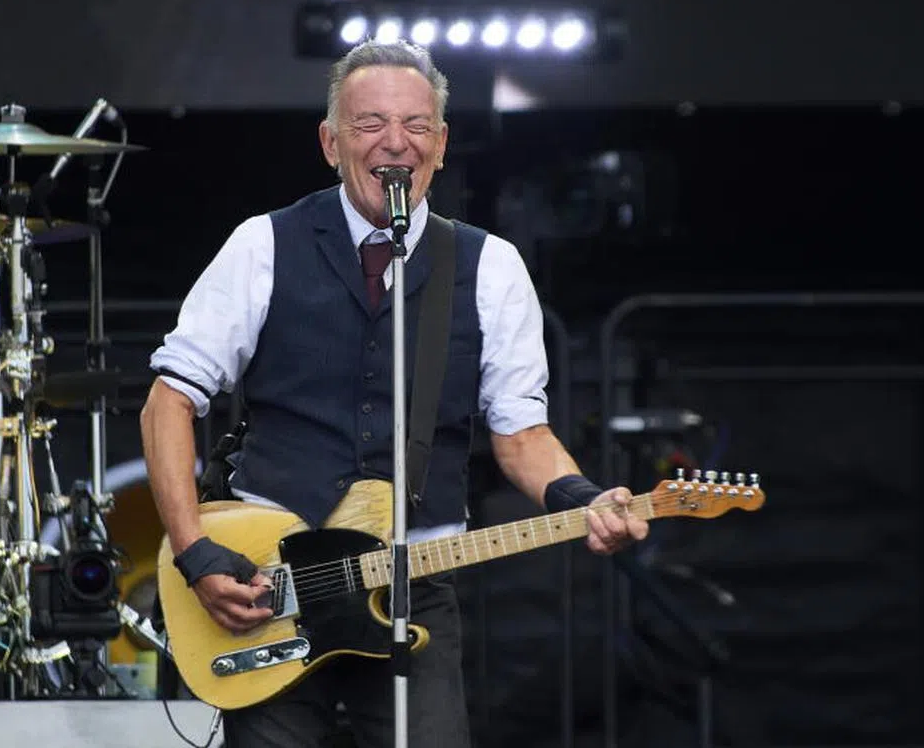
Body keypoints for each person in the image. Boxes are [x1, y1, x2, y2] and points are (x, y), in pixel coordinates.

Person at [139, 38, 649, 748]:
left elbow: (521, 433)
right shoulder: (263, 245)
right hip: (269, 582)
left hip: (413, 582)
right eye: (370, 122)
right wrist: (194, 552)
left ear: (440, 144)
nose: (395, 141)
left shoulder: (489, 267)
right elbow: (168, 401)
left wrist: (583, 498)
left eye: (415, 124)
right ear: (331, 142)